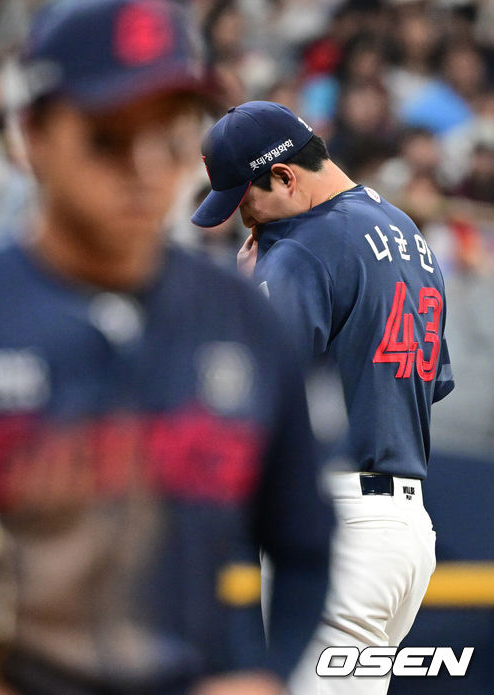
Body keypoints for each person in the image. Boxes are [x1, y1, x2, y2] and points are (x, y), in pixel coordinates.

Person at [0, 9, 333, 695]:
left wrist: (266, 674)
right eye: (108, 138)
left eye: (166, 136)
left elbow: (306, 547)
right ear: (33, 135)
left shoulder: (242, 317)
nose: (144, 168)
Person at [192, 100, 455, 695]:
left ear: (284, 177)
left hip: (342, 529)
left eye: (245, 201)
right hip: (406, 532)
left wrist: (245, 293)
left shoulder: (302, 246)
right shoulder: (407, 232)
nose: (244, 220)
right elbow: (429, 382)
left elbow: (248, 389)